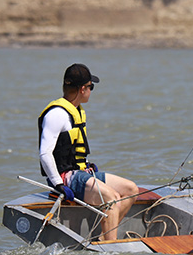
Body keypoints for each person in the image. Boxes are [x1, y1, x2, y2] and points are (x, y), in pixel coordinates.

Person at [38, 63, 137, 241]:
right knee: (112, 199)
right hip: (65, 178)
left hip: (80, 173)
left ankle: (102, 238)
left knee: (131, 189)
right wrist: (58, 184)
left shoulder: (76, 110)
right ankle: (110, 246)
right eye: (91, 87)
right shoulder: (56, 115)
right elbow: (45, 153)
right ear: (83, 89)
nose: (91, 91)